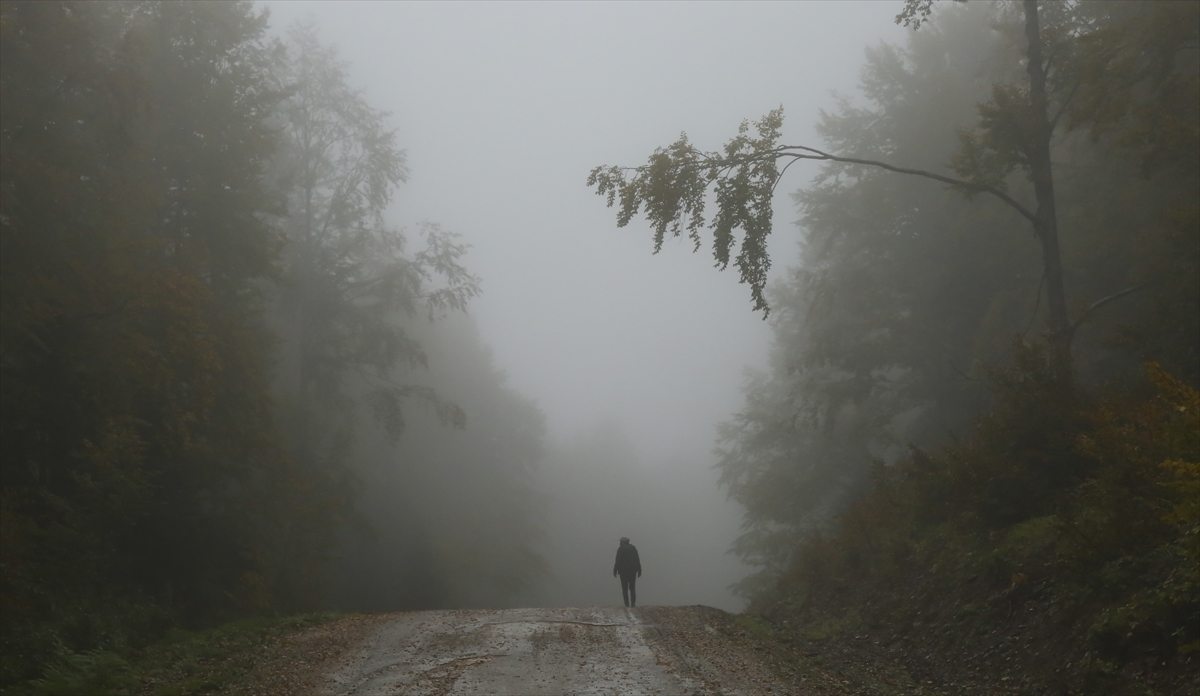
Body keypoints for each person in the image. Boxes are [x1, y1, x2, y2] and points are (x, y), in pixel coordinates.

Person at [612, 536, 642, 607]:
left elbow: (618, 560)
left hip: (623, 571)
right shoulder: (633, 548)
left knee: (624, 588)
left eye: (620, 542)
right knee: (632, 587)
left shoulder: (620, 549)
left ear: (623, 542)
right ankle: (633, 603)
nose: (619, 543)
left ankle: (626, 604)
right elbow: (637, 559)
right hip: (632, 571)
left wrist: (615, 570)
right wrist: (639, 570)